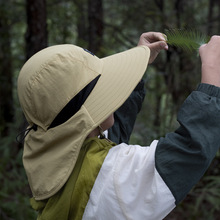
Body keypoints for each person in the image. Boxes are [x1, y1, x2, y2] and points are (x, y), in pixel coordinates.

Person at [17, 32, 220, 220]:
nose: (112, 93)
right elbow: (189, 152)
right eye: (104, 88)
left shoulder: (55, 149)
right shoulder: (110, 179)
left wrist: (136, 64)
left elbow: (107, 133)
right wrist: (212, 83)